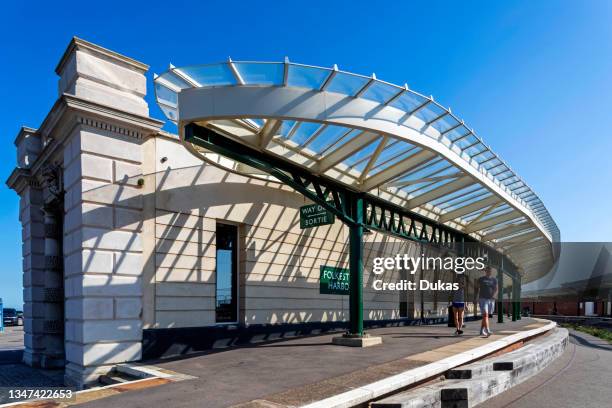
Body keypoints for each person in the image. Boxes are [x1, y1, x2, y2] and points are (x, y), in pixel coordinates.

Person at [476, 266, 498, 337]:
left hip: (490, 300)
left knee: (486, 316)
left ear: (491, 272)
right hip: (482, 299)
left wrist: (494, 295)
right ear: (485, 271)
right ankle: (488, 330)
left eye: (490, 271)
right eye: (487, 271)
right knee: (485, 315)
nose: (488, 272)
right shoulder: (481, 279)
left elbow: (496, 289)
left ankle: (481, 331)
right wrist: (475, 298)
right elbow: (477, 289)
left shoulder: (494, 280)